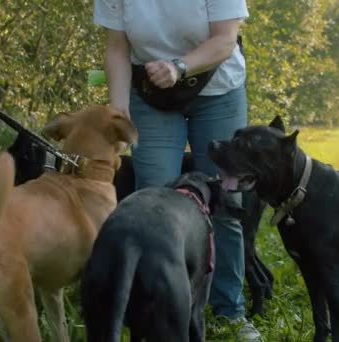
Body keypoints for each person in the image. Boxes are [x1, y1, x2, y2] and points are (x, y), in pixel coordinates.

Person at [93, 1, 260, 341]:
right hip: (151, 92)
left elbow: (225, 39)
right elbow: (117, 47)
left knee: (227, 200)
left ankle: (230, 310)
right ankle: (157, 308)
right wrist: (119, 108)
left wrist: (178, 66)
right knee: (153, 204)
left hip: (218, 88)